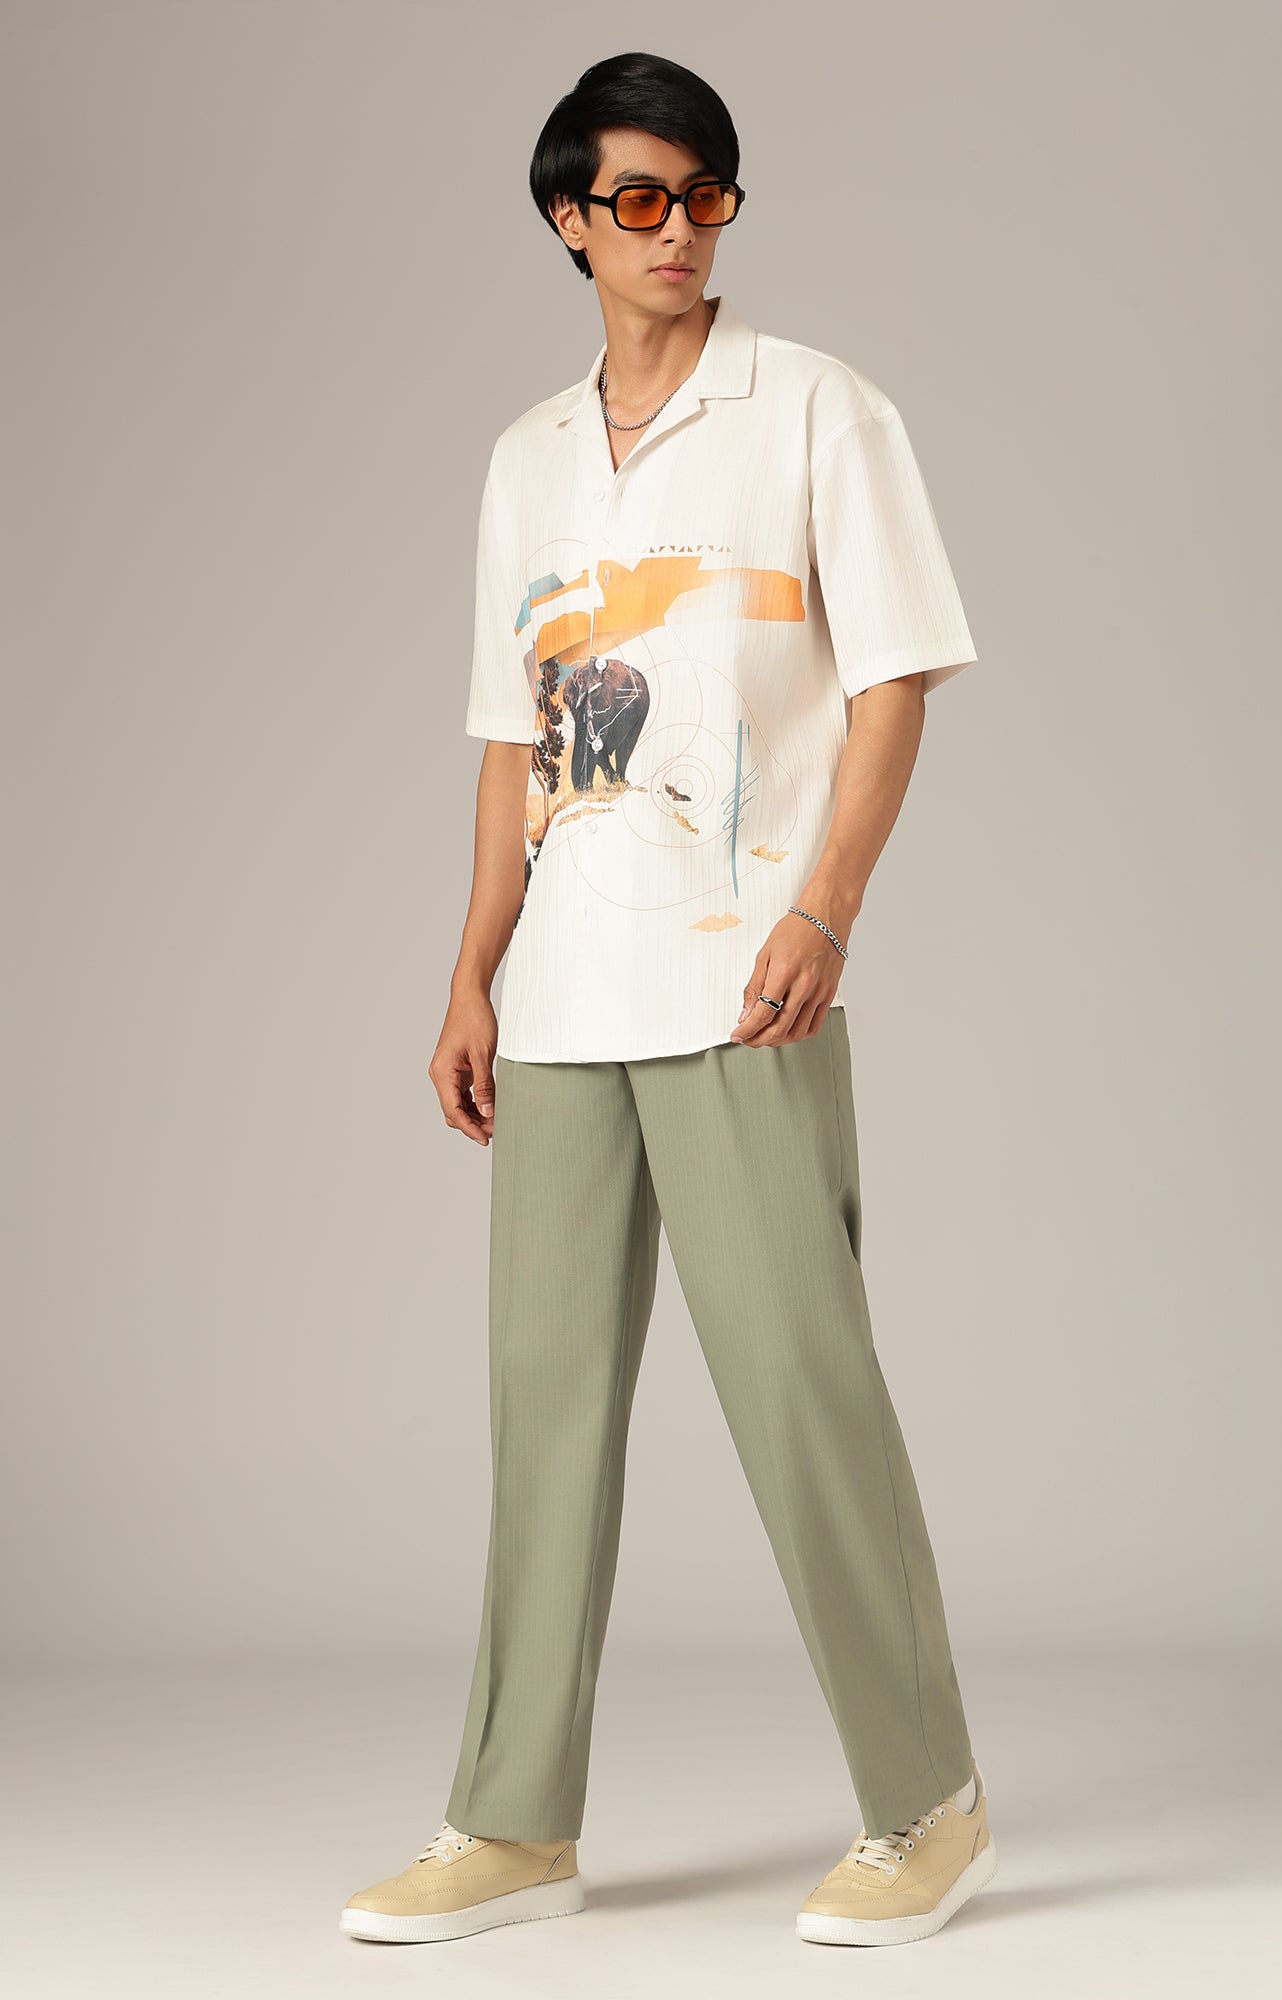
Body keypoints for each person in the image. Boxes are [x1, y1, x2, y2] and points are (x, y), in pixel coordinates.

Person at [341, 49, 995, 1950]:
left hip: (741, 984)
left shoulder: (819, 412)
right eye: (640, 198)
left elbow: (894, 681)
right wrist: (469, 967)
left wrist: (828, 910)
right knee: (544, 1410)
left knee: (801, 1385)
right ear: (571, 219)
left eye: (707, 194)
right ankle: (510, 1822)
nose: (681, 227)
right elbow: (512, 736)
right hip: (560, 996)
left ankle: (928, 1802)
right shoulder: (528, 458)